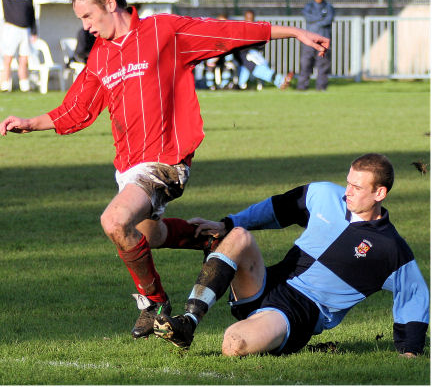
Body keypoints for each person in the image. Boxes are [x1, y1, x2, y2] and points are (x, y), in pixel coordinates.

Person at [0, 0, 330, 339]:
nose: (86, 25)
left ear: (110, 4)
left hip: (164, 162)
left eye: (88, 16)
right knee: (146, 235)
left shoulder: (163, 31)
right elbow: (76, 109)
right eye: (81, 19)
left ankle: (153, 302)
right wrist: (30, 122)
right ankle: (207, 238)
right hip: (128, 167)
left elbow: (225, 33)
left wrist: (295, 32)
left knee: (114, 221)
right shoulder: (102, 56)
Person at [154, 153, 429, 357]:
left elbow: (415, 294)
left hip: (297, 312)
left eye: (357, 188)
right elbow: (279, 208)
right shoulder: (323, 195)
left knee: (233, 344)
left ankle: (259, 329)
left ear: (380, 193)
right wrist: (226, 223)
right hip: (267, 283)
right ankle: (187, 323)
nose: (347, 192)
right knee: (236, 234)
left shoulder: (391, 249)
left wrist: (409, 350)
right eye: (348, 183)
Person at [0, 0, 37, 92]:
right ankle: (5, 85)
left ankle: (25, 85)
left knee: (24, 58)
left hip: (26, 30)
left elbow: (32, 14)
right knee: (8, 58)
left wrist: (34, 31)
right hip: (11, 29)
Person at [233, 10, 293, 90]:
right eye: (248, 18)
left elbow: (261, 45)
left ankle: (280, 81)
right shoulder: (240, 30)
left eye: (251, 18)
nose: (250, 21)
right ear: (244, 18)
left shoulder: (256, 29)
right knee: (252, 63)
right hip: (242, 55)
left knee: (258, 63)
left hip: (253, 55)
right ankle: (280, 81)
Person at [297, 0, 334, 91]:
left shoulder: (328, 7)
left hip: (323, 41)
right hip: (309, 41)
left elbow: (328, 20)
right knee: (305, 64)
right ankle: (302, 86)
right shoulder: (309, 6)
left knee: (323, 65)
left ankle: (321, 87)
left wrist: (316, 20)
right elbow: (308, 17)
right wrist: (320, 18)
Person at [202, 13, 237, 90]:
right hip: (213, 55)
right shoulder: (212, 32)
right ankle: (210, 85)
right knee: (210, 61)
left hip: (224, 56)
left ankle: (224, 85)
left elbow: (229, 47)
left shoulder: (229, 33)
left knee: (229, 59)